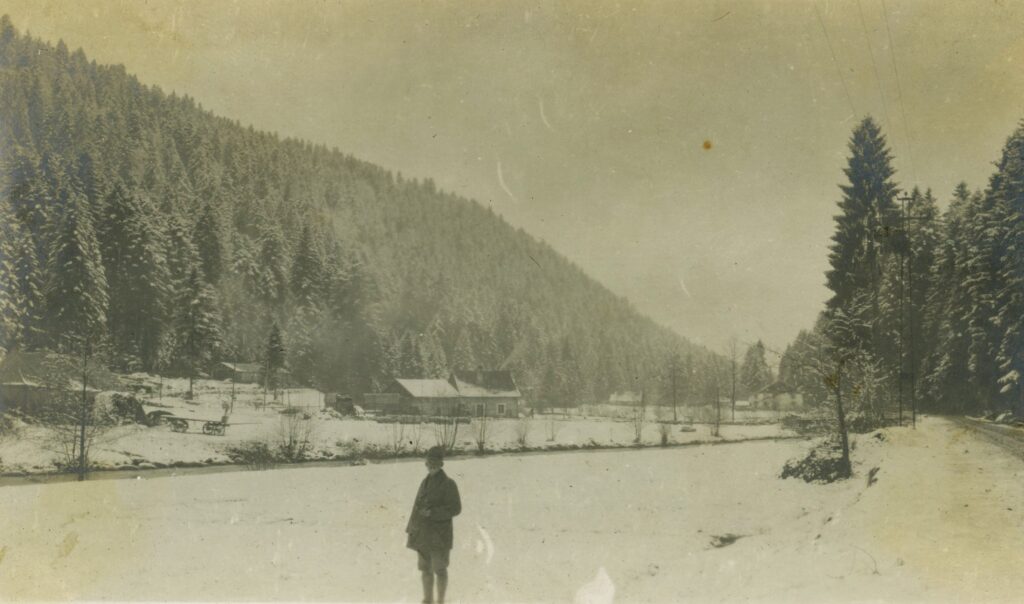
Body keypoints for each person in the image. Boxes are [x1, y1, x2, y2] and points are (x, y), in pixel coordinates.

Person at [407, 446, 461, 604]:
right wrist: (412, 528)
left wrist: (433, 513)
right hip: (423, 535)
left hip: (440, 536)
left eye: (434, 462)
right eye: (428, 462)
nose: (431, 466)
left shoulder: (449, 484)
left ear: (441, 464)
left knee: (440, 570)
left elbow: (456, 508)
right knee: (425, 570)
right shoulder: (424, 482)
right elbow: (416, 507)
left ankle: (441, 601)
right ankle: (428, 600)